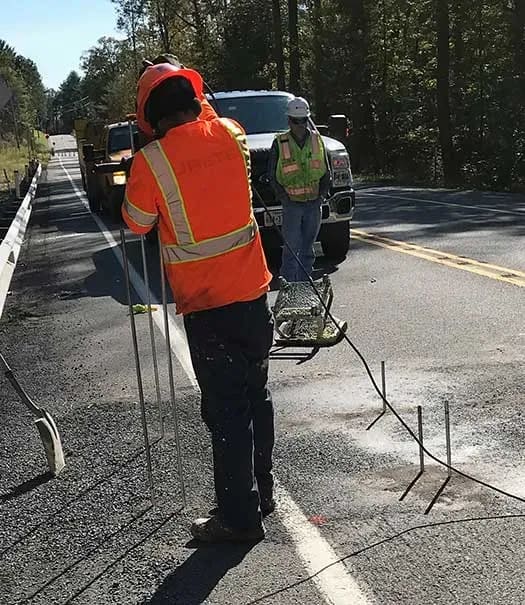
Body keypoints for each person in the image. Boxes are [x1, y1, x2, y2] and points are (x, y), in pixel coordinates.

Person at [122, 63, 275, 543]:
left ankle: (237, 519)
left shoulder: (152, 161)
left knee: (226, 411)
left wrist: (144, 150)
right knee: (255, 396)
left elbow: (134, 222)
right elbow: (210, 119)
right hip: (252, 292)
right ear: (196, 96)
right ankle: (260, 493)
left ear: (148, 118)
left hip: (207, 306)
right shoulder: (231, 134)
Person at [268, 97, 331, 282]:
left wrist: (321, 196)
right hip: (292, 205)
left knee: (308, 248)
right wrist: (283, 198)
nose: (300, 125)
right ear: (289, 120)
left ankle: (304, 285)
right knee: (291, 249)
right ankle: (289, 286)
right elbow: (272, 174)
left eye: (303, 120)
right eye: (296, 121)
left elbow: (326, 171)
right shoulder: (280, 143)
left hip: (313, 203)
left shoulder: (317, 140)